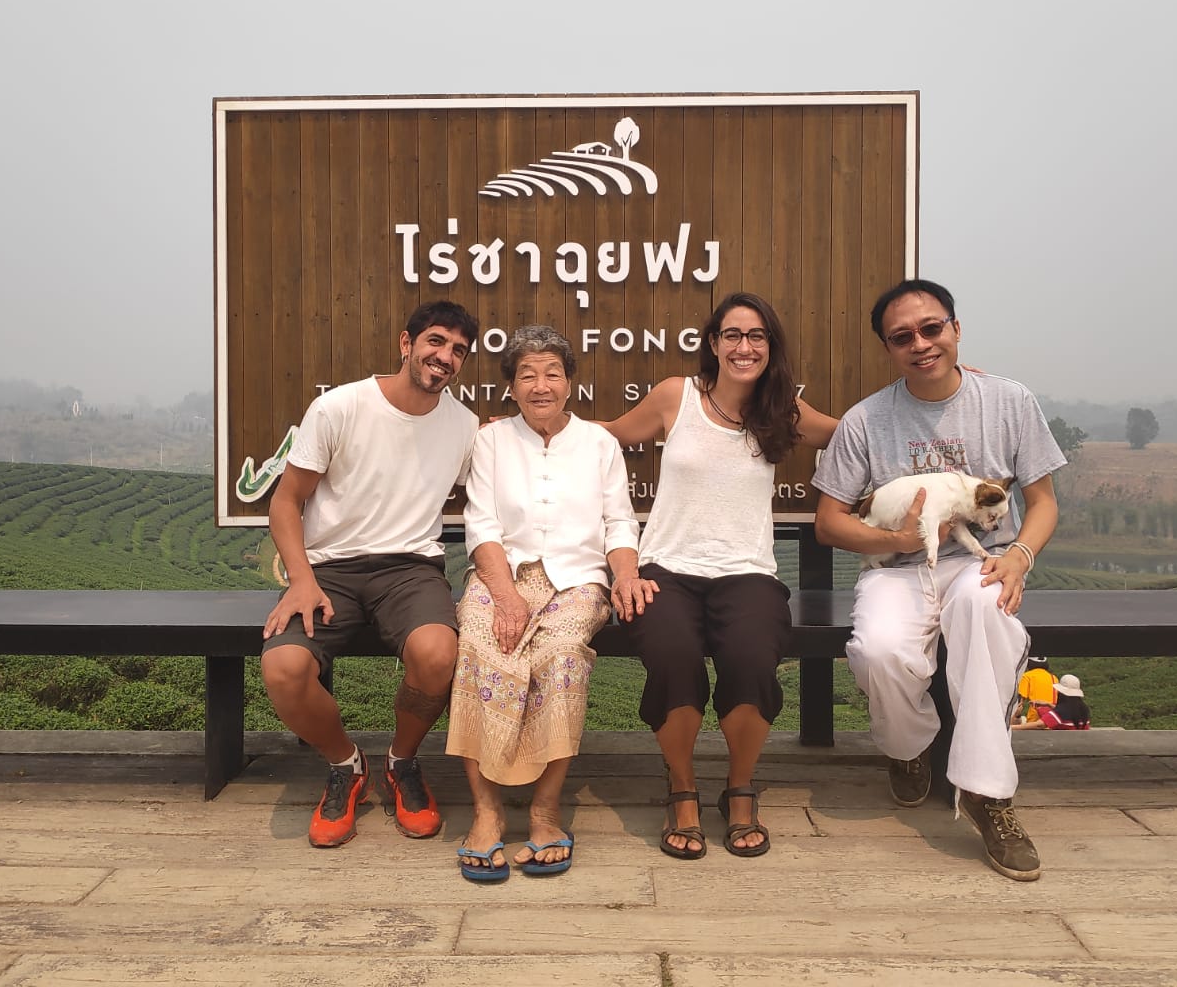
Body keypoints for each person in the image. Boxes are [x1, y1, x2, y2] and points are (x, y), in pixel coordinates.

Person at [813, 278, 1064, 882]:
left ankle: (987, 793)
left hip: (982, 561)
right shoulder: (866, 420)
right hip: (898, 567)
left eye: (932, 329)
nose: (921, 344)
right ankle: (911, 748)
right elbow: (828, 522)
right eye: (903, 337)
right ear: (888, 348)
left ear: (955, 328)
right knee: (878, 652)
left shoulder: (1007, 401)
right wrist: (896, 542)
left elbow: (1043, 501)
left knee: (985, 616)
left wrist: (1020, 556)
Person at [603, 292, 838, 859]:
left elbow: (854, 431)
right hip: (665, 569)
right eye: (732, 335)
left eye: (756, 336)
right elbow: (607, 434)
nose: (744, 347)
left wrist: (932, 389)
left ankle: (739, 788)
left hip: (747, 572)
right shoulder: (676, 396)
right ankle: (682, 790)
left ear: (770, 346)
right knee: (673, 656)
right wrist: (526, 425)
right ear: (713, 343)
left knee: (753, 658)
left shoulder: (784, 409)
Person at [260, 300, 480, 849]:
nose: (445, 356)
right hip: (328, 569)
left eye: (458, 350)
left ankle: (401, 762)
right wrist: (301, 580)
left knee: (438, 654)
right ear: (407, 344)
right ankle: (346, 765)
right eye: (435, 341)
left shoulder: (464, 425)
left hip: (410, 569)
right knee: (283, 669)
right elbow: (285, 502)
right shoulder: (339, 408)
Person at [447, 325, 648, 881]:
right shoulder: (491, 441)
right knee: (479, 646)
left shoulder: (599, 444)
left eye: (552, 373)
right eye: (527, 375)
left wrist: (625, 574)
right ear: (511, 386)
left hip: (577, 582)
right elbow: (481, 523)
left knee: (560, 656)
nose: (541, 385)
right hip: (500, 576)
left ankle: (545, 810)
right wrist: (505, 596)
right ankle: (486, 812)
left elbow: (619, 521)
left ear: (570, 382)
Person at [1025, 674, 1091, 730]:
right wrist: (1048, 704)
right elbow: (1067, 711)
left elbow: (1039, 725)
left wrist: (1018, 727)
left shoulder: (1059, 713)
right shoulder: (1083, 710)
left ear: (1061, 694)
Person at [1013, 656, 1058, 727]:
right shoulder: (1054, 678)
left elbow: (1019, 703)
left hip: (1035, 721)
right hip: (1052, 719)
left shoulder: (1027, 676)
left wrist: (1016, 717)